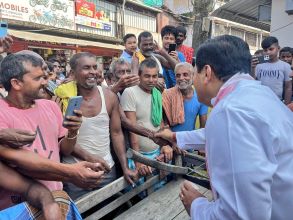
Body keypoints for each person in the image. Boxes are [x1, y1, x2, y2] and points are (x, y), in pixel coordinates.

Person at [155, 35, 293, 220]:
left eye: (194, 73)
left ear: (207, 72)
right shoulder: (259, 95)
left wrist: (196, 205)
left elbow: (239, 215)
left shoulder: (229, 111)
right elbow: (225, 135)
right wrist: (175, 136)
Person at [0, 53, 104, 209]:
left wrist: (73, 131)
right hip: (17, 207)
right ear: (16, 83)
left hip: (56, 196)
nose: (45, 82)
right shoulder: (2, 111)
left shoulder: (50, 106)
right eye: (37, 78)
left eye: (44, 76)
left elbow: (65, 149)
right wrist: (71, 173)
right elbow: (19, 162)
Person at [55, 52, 137, 200]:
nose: (92, 71)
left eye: (94, 67)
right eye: (86, 68)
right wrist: (90, 158)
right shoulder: (62, 98)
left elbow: (117, 134)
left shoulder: (109, 96)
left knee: (109, 210)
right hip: (75, 173)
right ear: (73, 72)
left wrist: (125, 167)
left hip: (106, 169)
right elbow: (60, 139)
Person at [120, 58, 173, 177]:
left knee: (160, 191)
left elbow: (159, 125)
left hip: (157, 152)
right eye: (147, 76)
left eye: (154, 76)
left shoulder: (157, 93)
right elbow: (132, 128)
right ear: (139, 75)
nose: (151, 80)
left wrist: (164, 145)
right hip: (138, 155)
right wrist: (138, 160)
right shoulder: (130, 93)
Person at [163, 62, 208, 133]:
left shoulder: (201, 97)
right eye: (178, 75)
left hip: (190, 141)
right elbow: (163, 123)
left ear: (193, 76)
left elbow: (203, 128)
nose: (181, 78)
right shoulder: (168, 95)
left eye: (185, 75)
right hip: (169, 140)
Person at [255, 36, 292, 104]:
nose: (268, 52)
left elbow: (288, 87)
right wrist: (252, 67)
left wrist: (286, 105)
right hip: (260, 100)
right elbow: (253, 81)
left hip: (277, 102)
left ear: (278, 48)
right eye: (265, 50)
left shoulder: (285, 66)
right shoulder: (258, 65)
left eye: (271, 49)